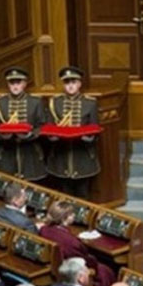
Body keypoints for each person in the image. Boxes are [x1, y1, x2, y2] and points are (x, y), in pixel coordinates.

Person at [40, 201, 116, 286]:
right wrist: (94, 262)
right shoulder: (71, 242)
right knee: (106, 271)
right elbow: (84, 260)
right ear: (64, 218)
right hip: (72, 268)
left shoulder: (44, 229)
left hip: (57, 265)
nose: (74, 215)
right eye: (71, 214)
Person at [45, 66, 100, 198]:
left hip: (83, 155)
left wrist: (88, 137)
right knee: (64, 195)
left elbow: (95, 128)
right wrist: (52, 137)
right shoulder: (54, 102)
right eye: (67, 82)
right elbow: (49, 126)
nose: (70, 85)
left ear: (79, 84)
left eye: (73, 82)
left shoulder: (90, 103)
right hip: (60, 155)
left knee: (83, 194)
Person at [0, 67, 47, 181]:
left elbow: (42, 126)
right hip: (6, 154)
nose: (15, 86)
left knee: (32, 188)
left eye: (18, 82)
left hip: (30, 154)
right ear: (8, 84)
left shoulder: (35, 102)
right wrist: (1, 135)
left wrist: (31, 135)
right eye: (12, 83)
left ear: (24, 84)